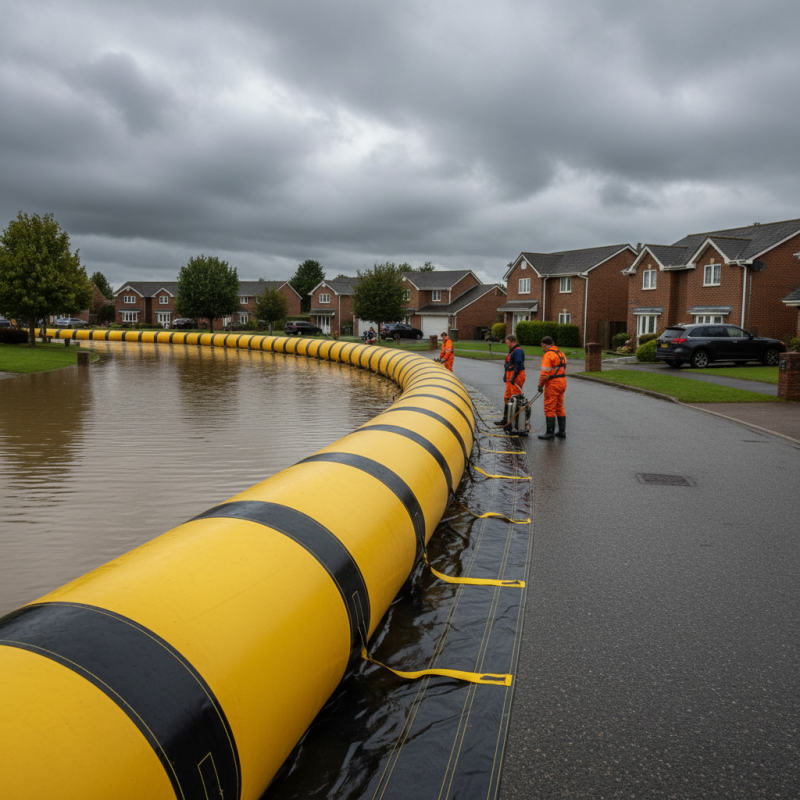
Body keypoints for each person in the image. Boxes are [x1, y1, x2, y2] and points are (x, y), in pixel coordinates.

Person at [537, 335, 567, 439]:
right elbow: (564, 367)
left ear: (545, 344)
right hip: (563, 381)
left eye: (542, 346)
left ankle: (550, 432)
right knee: (560, 406)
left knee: (549, 406)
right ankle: (562, 432)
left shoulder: (548, 355)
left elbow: (544, 374)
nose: (542, 348)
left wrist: (540, 385)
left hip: (553, 383)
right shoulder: (561, 354)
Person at [493, 334, 525, 427]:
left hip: (516, 376)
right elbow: (508, 364)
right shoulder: (512, 351)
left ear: (512, 342)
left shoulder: (518, 351)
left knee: (515, 398)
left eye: (507, 342)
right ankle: (506, 419)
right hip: (509, 376)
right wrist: (505, 375)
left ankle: (515, 421)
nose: (507, 344)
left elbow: (518, 365)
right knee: (507, 397)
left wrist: (514, 377)